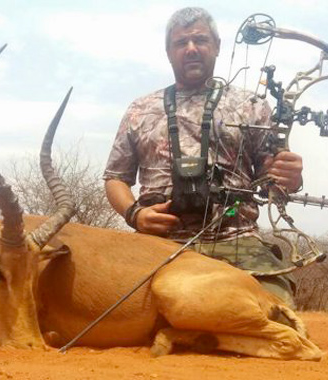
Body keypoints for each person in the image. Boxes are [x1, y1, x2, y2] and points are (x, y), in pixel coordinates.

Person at [103, 7, 303, 307]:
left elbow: (272, 182)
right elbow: (115, 178)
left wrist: (291, 178)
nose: (191, 48)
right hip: (159, 242)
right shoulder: (140, 109)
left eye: (200, 39)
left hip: (236, 239)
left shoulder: (252, 105)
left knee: (271, 310)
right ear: (169, 52)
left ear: (217, 46)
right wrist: (135, 215)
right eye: (181, 42)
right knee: (110, 308)